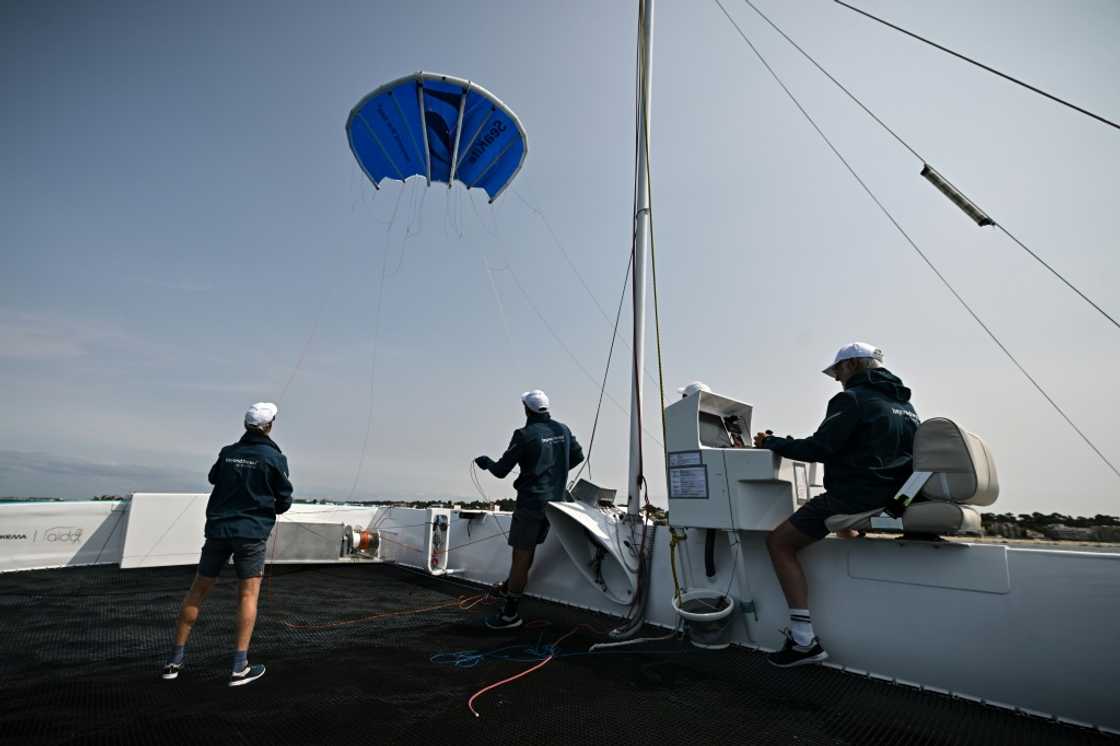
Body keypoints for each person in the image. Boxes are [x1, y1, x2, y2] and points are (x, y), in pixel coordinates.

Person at [754, 342, 919, 668]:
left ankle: (803, 641)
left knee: (778, 542)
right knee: (843, 529)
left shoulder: (851, 398)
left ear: (853, 365)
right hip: (896, 498)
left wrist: (771, 443)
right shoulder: (905, 405)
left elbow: (820, 447)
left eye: (838, 370)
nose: (836, 379)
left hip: (856, 495)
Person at [161, 402, 293, 687]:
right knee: (247, 596)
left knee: (197, 591)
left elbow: (213, 478)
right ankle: (238, 667)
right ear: (270, 425)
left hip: (218, 530)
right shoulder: (274, 458)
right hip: (251, 534)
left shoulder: (228, 453)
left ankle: (173, 662)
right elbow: (284, 501)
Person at [475, 389, 584, 630]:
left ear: (526, 408)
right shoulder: (563, 430)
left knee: (521, 555)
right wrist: (556, 471)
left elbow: (501, 470)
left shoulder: (524, 435)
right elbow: (578, 456)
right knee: (529, 551)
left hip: (531, 503)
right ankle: (508, 587)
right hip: (556, 503)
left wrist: (486, 463)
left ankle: (510, 615)